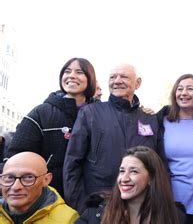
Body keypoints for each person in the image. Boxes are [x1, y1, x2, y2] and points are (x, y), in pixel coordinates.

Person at [63, 63, 159, 212]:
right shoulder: (90, 113)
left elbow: (159, 166)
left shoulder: (150, 119)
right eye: (113, 77)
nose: (117, 81)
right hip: (98, 207)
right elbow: (72, 163)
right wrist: (81, 209)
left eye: (124, 77)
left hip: (140, 208)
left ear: (138, 83)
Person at [5, 58, 96, 197]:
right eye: (67, 71)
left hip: (88, 195)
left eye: (79, 72)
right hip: (48, 195)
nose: (71, 75)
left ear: (90, 79)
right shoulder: (41, 112)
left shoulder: (98, 115)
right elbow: (18, 154)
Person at [156, 74, 193, 223]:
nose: (183, 93)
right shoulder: (160, 121)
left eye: (189, 89)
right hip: (168, 204)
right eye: (179, 89)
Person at [77, 146, 182, 224]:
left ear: (151, 178)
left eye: (134, 171)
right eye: (122, 171)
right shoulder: (94, 215)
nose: (124, 179)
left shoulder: (174, 217)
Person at [0, 152, 78, 223]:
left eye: (28, 177)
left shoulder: (68, 220)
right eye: (9, 177)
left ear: (46, 180)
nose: (16, 187)